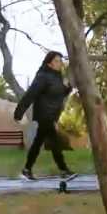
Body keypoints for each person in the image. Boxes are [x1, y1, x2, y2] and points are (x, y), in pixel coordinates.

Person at [14, 51, 77, 181]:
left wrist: (68, 87)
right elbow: (31, 94)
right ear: (49, 63)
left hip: (52, 115)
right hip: (44, 114)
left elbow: (60, 94)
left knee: (38, 142)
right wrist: (19, 113)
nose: (60, 63)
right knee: (54, 140)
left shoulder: (58, 77)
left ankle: (27, 169)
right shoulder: (42, 76)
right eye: (57, 61)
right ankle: (63, 169)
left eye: (61, 61)